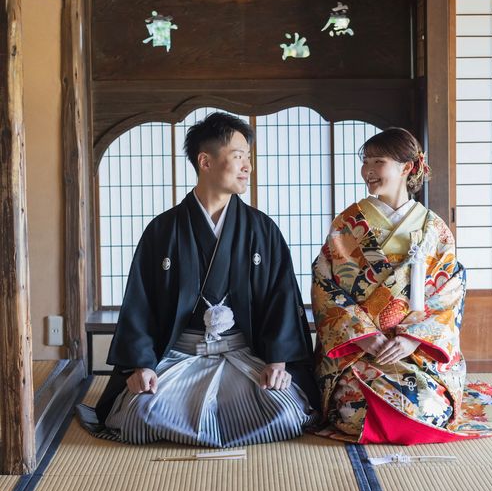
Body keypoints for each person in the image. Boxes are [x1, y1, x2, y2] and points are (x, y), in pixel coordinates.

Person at [312, 127, 492, 444]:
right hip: (359, 352)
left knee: (428, 406)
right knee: (354, 412)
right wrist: (365, 337)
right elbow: (326, 286)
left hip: (417, 353)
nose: (367, 170)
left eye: (378, 161)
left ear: (407, 167)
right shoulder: (347, 225)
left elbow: (447, 294)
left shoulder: (434, 229)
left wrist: (412, 339)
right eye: (365, 161)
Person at [78, 112, 318, 447]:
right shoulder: (163, 230)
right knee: (140, 413)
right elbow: (140, 303)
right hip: (179, 356)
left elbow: (281, 297)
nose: (248, 167)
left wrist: (278, 361)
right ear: (205, 161)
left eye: (248, 158)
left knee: (285, 412)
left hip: (243, 356)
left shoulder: (261, 229)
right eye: (239, 157)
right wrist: (141, 366)